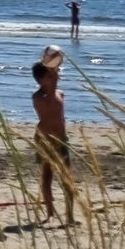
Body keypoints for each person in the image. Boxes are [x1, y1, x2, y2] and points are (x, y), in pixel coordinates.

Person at [32, 60, 75, 226]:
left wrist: (54, 70)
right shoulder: (38, 97)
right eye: (51, 75)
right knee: (47, 177)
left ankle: (70, 216)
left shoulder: (60, 94)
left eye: (56, 73)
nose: (56, 76)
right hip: (45, 140)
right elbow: (48, 102)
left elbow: (60, 115)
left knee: (67, 178)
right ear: (42, 80)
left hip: (61, 140)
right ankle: (50, 213)